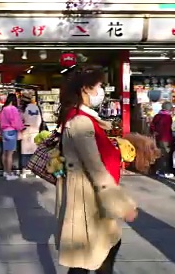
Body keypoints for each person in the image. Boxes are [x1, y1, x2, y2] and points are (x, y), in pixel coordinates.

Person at [55, 69, 137, 273]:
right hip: (88, 198)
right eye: (99, 86)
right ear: (86, 89)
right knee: (93, 253)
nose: (102, 90)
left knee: (92, 254)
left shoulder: (77, 117)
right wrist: (121, 204)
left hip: (88, 196)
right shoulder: (81, 122)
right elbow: (96, 168)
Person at [0, 93, 24, 180]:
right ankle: (9, 174)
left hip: (4, 131)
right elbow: (16, 122)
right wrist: (21, 128)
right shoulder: (13, 109)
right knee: (10, 153)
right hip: (11, 132)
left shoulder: (3, 109)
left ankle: (5, 171)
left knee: (4, 152)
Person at [150, 102, 174, 178]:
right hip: (166, 138)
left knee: (158, 153)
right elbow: (170, 129)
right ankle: (162, 171)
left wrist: (154, 132)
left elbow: (152, 126)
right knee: (164, 155)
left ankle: (156, 170)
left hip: (157, 138)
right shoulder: (168, 117)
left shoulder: (157, 116)